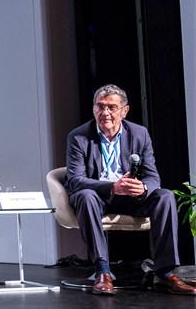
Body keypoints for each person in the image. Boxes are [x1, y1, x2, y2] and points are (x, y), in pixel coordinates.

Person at [65, 84, 195, 296]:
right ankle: (102, 271)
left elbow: (153, 176)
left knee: (165, 196)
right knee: (85, 195)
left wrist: (142, 187)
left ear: (124, 111)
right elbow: (75, 180)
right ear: (93, 109)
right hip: (99, 195)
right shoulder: (79, 137)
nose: (105, 113)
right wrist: (113, 187)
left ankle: (164, 272)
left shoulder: (139, 134)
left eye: (112, 107)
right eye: (100, 107)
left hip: (130, 197)